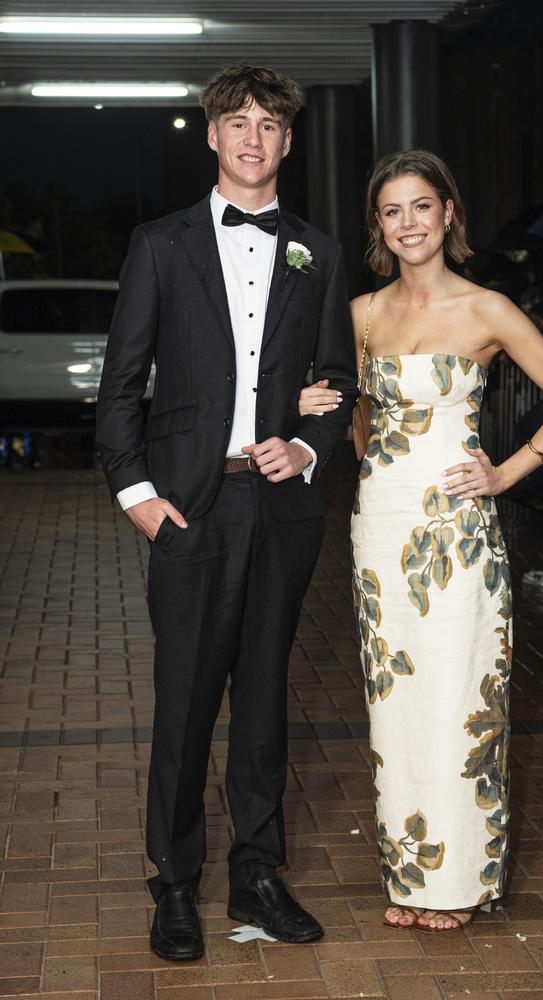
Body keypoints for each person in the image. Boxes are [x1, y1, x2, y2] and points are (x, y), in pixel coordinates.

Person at [96, 64, 356, 960]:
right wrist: (141, 499)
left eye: (270, 124)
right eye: (236, 122)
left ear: (289, 141)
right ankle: (172, 884)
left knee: (264, 705)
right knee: (184, 701)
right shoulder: (160, 245)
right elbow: (120, 385)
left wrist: (309, 445)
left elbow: (338, 380)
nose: (253, 137)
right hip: (192, 510)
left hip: (281, 508)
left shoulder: (317, 252)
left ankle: (257, 872)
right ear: (211, 136)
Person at [299, 150, 543, 932]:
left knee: (461, 699)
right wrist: (365, 457)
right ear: (378, 226)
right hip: (382, 526)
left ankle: (458, 882)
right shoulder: (361, 313)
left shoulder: (489, 309)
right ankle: (411, 875)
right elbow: (358, 422)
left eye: (421, 207)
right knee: (397, 703)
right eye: (392, 212)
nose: (409, 223)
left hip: (459, 531)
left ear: (448, 212)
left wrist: (507, 473)